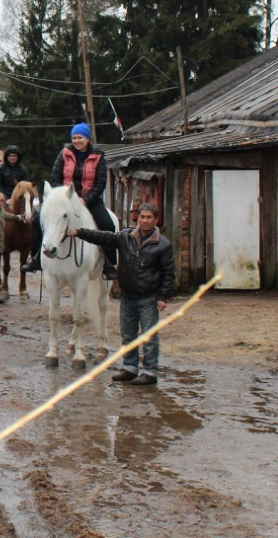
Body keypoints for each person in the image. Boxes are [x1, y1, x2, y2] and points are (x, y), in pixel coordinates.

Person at [68, 202, 175, 386]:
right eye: (142, 217)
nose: (145, 221)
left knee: (149, 336)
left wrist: (163, 296)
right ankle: (130, 367)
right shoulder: (126, 237)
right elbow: (103, 237)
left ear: (156, 220)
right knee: (128, 334)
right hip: (128, 296)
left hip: (148, 297)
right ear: (137, 219)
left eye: (149, 217)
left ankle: (150, 371)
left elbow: (169, 272)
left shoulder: (162, 245)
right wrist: (80, 232)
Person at [25, 123, 117, 279]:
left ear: (87, 138)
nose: (76, 141)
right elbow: (55, 177)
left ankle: (109, 264)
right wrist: (60, 195)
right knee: (40, 220)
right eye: (74, 138)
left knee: (108, 224)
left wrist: (85, 200)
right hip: (64, 199)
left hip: (90, 200)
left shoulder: (98, 156)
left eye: (80, 137)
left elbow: (100, 182)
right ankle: (36, 258)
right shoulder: (64, 154)